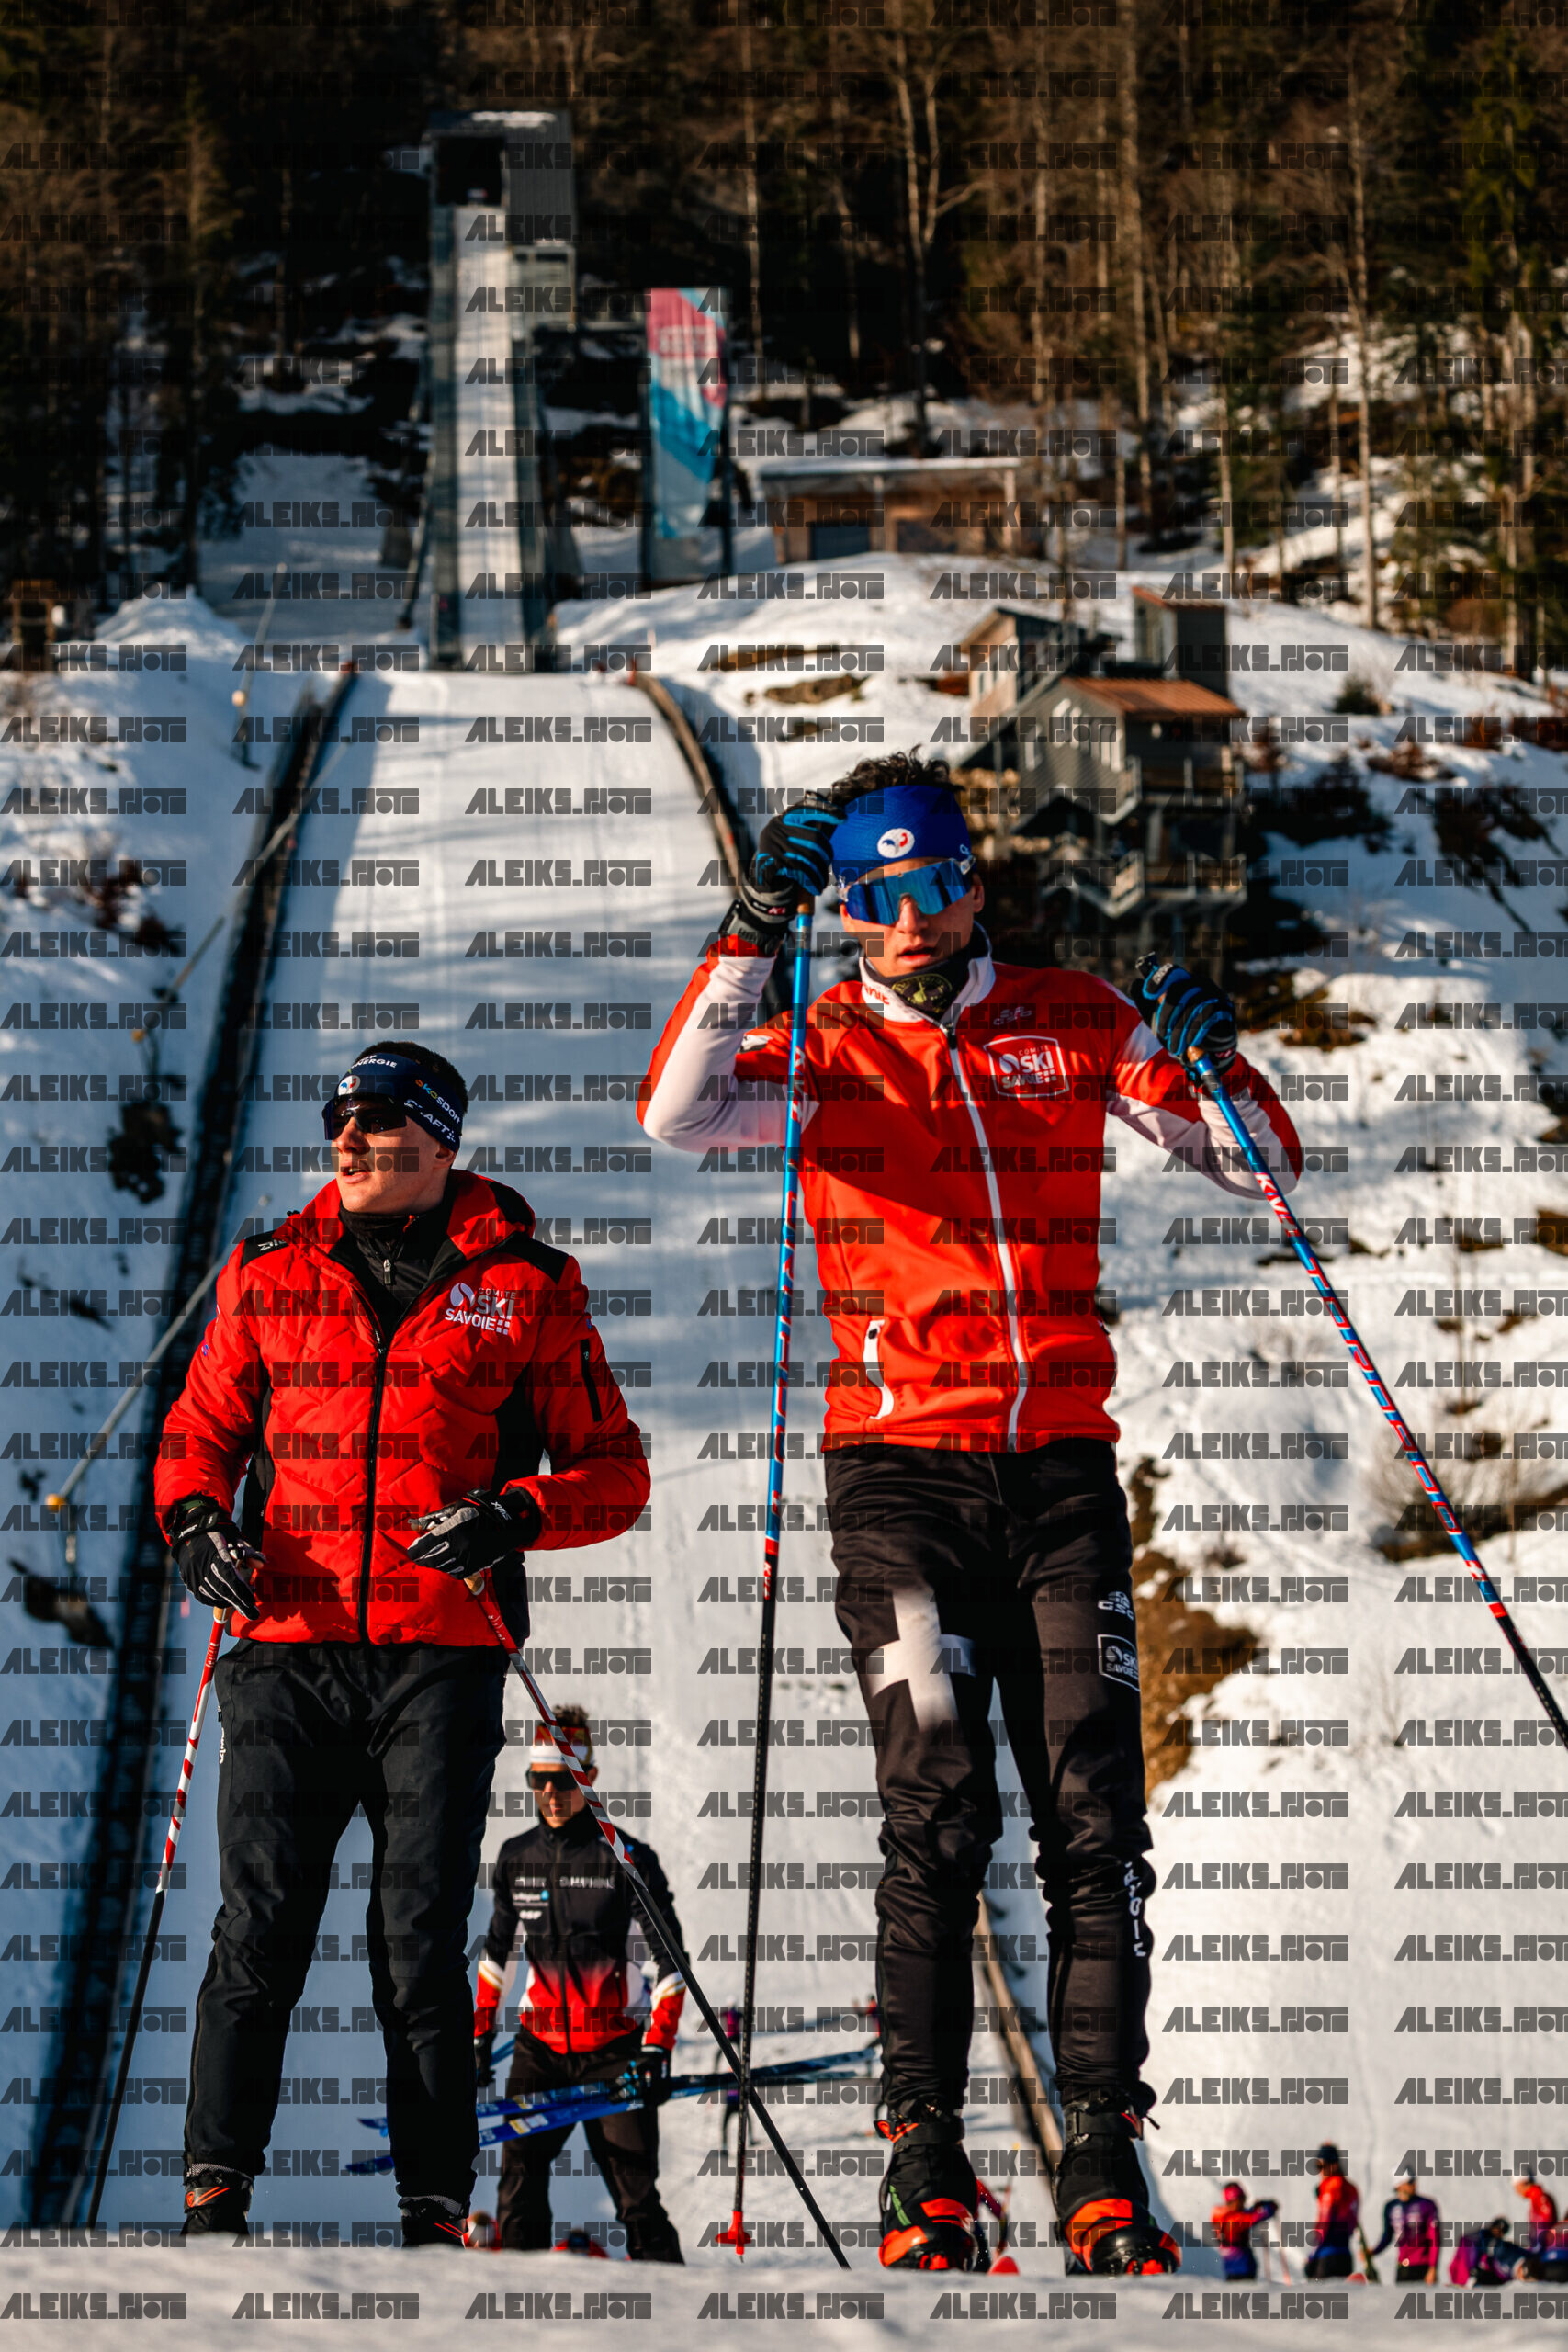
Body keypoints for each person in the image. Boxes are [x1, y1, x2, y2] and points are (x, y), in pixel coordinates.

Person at [638, 754, 1302, 2274]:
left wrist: (1215, 1062)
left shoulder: (1071, 1021)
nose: (911, 922)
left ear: (972, 883)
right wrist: (749, 929)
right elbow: (676, 1112)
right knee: (935, 1808)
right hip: (901, 1483)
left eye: (934, 886)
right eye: (877, 899)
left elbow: (1264, 1171)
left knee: (1092, 1819)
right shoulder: (816, 1045)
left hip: (1057, 1476)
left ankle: (1100, 2156)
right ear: (848, 913)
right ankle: (921, 2157)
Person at [155, 1042, 649, 2245]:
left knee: (418, 1938)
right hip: (285, 1644)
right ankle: (214, 2198)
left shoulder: (528, 1284)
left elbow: (614, 1472)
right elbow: (196, 1434)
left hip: (441, 1654)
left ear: (438, 1141)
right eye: (338, 1120)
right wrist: (196, 1524)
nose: (349, 1139)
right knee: (257, 1925)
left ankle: (433, 2212)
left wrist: (514, 1511)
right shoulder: (266, 1271)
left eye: (376, 1121)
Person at [473, 1706, 685, 2263]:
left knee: (637, 2199)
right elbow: (497, 1956)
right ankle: (517, 2305)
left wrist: (657, 2047)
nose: (551, 1793)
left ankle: (676, 2306)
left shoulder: (628, 1859)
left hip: (615, 2056)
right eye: (538, 1780)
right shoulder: (516, 1858)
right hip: (538, 2054)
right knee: (517, 2190)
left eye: (564, 1781)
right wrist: (479, 2035)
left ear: (588, 1777)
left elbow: (672, 1964)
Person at [1371, 2167, 1440, 2284]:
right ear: (1399, 2184)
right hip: (1402, 2268)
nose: (1415, 2185)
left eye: (1414, 2181)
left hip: (1422, 2267)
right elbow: (1387, 2236)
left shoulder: (1427, 2205)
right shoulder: (1390, 2206)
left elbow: (1434, 2239)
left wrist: (1433, 2268)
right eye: (1410, 2182)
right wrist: (1373, 2252)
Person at [1304, 2143, 1359, 2280]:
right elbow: (1352, 2223)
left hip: (1327, 2257)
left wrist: (1312, 2256)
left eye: (1321, 2166)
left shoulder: (1331, 2188)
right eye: (1317, 2167)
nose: (1319, 2172)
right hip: (1345, 2255)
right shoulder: (1351, 2188)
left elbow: (1324, 2223)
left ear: (1334, 2165)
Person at [1211, 2184, 1278, 2280]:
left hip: (1231, 2270)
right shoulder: (1234, 2221)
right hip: (1243, 2270)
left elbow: (1244, 2214)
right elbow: (1255, 2217)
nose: (1244, 2202)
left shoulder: (1221, 2216)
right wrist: (1270, 2208)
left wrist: (1255, 2208)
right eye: (1241, 2199)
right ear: (1234, 2201)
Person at [1450, 2216, 1540, 2286]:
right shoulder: (1481, 2239)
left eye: (1503, 2232)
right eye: (1498, 2229)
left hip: (1478, 2274)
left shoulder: (1493, 2242)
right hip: (1469, 2275)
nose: (1500, 2233)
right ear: (1493, 2226)